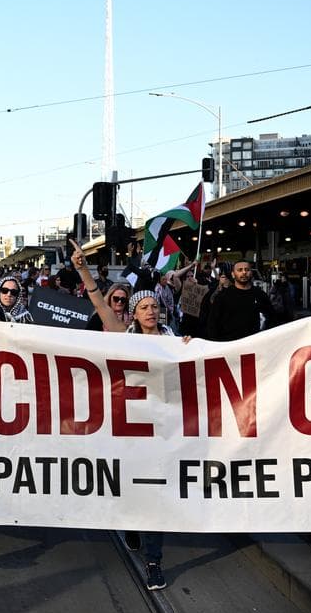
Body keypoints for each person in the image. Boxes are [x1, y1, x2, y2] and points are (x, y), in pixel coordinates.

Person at [72, 240, 188, 591]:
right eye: (144, 307)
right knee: (133, 486)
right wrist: (83, 269)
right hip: (128, 425)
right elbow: (98, 303)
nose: (151, 311)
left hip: (163, 426)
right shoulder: (124, 337)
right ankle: (133, 526)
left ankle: (153, 562)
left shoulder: (174, 338)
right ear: (134, 315)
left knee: (155, 492)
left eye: (155, 306)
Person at [206, 259, 285, 341]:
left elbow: (272, 319)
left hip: (253, 344)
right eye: (240, 270)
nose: (244, 272)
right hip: (229, 345)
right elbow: (212, 324)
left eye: (247, 270)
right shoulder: (222, 296)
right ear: (233, 274)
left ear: (251, 273)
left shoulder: (260, 295)